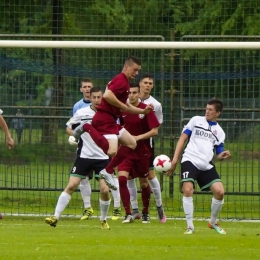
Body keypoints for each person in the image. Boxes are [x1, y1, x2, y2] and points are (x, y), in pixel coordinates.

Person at [73, 56, 153, 190]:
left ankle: (107, 171)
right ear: (127, 67)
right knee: (112, 151)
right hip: (104, 119)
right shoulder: (121, 80)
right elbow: (107, 95)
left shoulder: (124, 82)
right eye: (135, 70)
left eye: (138, 70)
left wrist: (143, 111)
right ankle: (87, 127)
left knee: (132, 143)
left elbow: (125, 105)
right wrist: (123, 106)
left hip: (111, 120)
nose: (137, 73)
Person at [45, 87, 113, 229]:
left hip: (103, 158)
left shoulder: (109, 114)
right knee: (71, 185)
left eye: (99, 97)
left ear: (103, 98)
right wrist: (75, 134)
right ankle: (55, 217)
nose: (96, 100)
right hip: (84, 156)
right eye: (93, 97)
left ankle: (103, 219)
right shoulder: (82, 113)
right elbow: (68, 127)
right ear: (90, 98)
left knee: (105, 190)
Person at [166, 98, 231, 235]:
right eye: (206, 109)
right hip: (190, 159)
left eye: (210, 110)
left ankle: (212, 222)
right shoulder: (196, 120)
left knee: (220, 192)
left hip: (206, 164)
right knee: (188, 189)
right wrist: (175, 160)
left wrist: (222, 156)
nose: (207, 111)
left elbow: (218, 154)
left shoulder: (220, 132)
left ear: (218, 113)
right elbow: (182, 138)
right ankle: (190, 227)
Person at [72, 80, 121, 221]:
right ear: (81, 89)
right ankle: (88, 208)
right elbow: (73, 126)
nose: (88, 90)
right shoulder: (79, 108)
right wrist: (74, 136)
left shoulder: (108, 110)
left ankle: (117, 206)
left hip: (103, 151)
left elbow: (115, 128)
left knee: (108, 182)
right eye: (85, 87)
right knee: (83, 179)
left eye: (89, 87)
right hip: (85, 151)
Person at [118, 83, 160, 224]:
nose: (131, 95)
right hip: (125, 151)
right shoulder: (122, 108)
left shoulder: (145, 109)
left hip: (142, 151)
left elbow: (155, 131)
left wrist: (137, 138)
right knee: (123, 179)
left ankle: (146, 211)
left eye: (134, 92)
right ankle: (128, 213)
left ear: (139, 94)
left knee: (143, 183)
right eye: (129, 93)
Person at [127, 74, 166, 223]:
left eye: (150, 83)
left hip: (145, 145)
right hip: (128, 145)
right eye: (145, 82)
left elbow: (156, 125)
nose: (148, 85)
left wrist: (140, 136)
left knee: (149, 177)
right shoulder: (128, 101)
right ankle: (134, 209)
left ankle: (159, 205)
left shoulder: (155, 104)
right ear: (140, 85)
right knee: (129, 176)